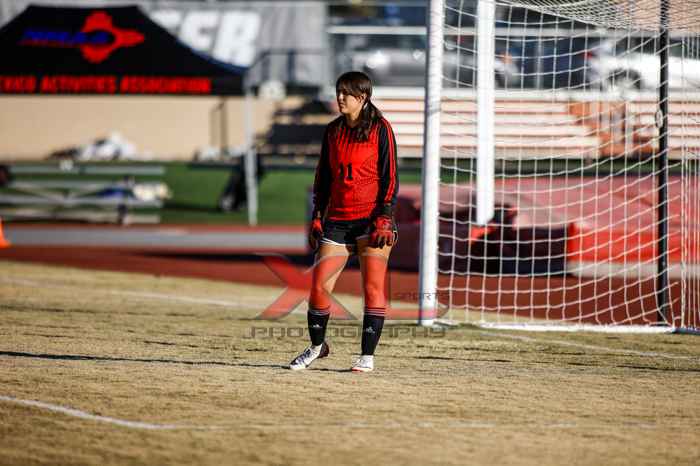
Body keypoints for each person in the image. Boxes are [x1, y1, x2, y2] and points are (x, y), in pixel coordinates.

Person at [289, 71, 399, 373]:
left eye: (346, 93)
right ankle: (317, 347)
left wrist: (385, 215)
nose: (340, 97)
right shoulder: (333, 130)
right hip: (337, 220)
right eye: (338, 91)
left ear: (362, 98)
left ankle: (366, 356)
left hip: (372, 221)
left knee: (373, 288)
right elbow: (323, 177)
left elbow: (390, 176)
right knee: (318, 288)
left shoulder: (381, 128)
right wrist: (317, 214)